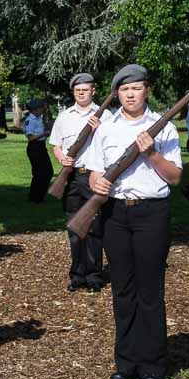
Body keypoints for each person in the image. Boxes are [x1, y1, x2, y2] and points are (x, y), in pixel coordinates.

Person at [86, 64, 182, 379]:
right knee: (123, 290)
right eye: (125, 90)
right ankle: (126, 361)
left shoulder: (163, 126)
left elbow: (175, 176)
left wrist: (152, 154)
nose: (130, 94)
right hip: (115, 214)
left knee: (150, 290)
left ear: (147, 90)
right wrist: (97, 183)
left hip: (151, 213)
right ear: (117, 94)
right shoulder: (107, 128)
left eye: (136, 88)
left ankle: (153, 363)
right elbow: (94, 171)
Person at [49, 73, 112, 292]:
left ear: (93, 91)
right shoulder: (65, 116)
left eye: (85, 90)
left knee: (94, 227)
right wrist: (61, 158)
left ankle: (94, 275)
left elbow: (112, 145)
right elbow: (56, 144)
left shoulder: (105, 116)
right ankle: (77, 274)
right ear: (73, 92)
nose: (81, 93)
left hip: (93, 175)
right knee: (74, 228)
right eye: (77, 90)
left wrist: (98, 129)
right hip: (71, 176)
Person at [22, 98, 53, 203]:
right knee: (40, 173)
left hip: (41, 146)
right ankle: (35, 197)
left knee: (47, 172)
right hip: (35, 147)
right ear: (34, 109)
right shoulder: (30, 120)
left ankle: (39, 196)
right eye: (40, 108)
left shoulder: (38, 118)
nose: (42, 110)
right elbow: (30, 137)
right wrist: (44, 134)